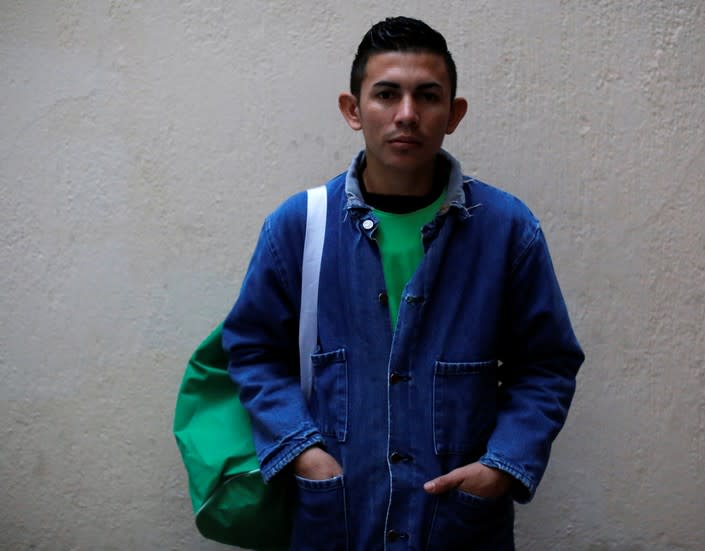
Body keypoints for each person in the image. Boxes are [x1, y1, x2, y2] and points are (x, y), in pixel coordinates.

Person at [222, 16, 584, 550]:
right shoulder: (300, 227)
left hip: (457, 528)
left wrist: (502, 466)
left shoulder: (506, 230)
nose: (407, 115)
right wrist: (304, 453)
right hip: (338, 522)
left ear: (454, 113)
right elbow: (253, 352)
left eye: (428, 96)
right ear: (352, 109)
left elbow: (547, 365)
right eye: (386, 94)